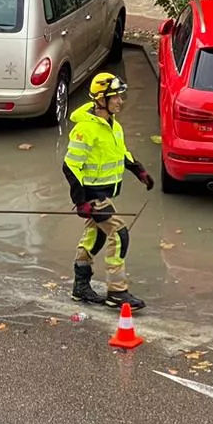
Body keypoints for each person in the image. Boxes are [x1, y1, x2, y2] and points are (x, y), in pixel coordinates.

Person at [63, 72, 153, 309]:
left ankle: (80, 287)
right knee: (119, 233)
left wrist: (139, 170)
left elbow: (120, 152)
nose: (120, 101)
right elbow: (70, 166)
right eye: (115, 97)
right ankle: (117, 291)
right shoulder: (85, 129)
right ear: (101, 99)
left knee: (95, 236)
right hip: (93, 195)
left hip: (105, 192)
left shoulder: (114, 126)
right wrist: (80, 201)